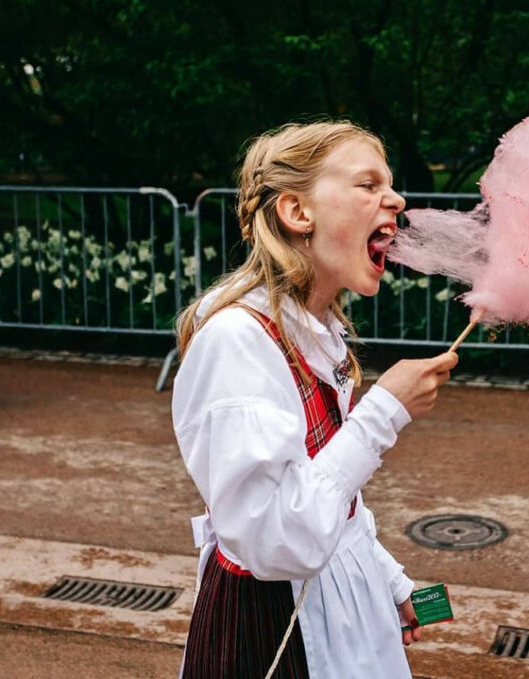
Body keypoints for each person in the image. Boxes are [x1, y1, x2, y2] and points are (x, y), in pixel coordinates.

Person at [172, 121, 458, 678]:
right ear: (297, 213)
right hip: (275, 629)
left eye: (390, 185)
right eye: (368, 184)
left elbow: (334, 503)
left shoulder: (317, 332)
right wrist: (382, 412)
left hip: (337, 612)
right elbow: (277, 540)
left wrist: (389, 581)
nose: (395, 199)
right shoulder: (238, 343)